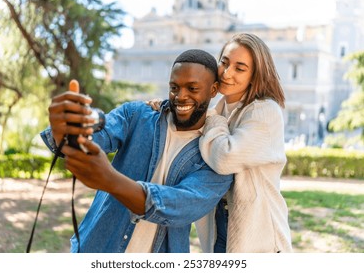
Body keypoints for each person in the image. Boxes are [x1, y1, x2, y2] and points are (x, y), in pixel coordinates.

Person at [40, 49, 233, 253]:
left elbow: (180, 206)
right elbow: (94, 136)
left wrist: (109, 179)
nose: (180, 96)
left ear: (213, 90)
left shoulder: (217, 155)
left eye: (192, 88)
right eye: (174, 87)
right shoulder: (136, 115)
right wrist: (67, 126)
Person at [147, 33, 292, 253]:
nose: (226, 73)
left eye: (240, 68)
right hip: (220, 229)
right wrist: (170, 105)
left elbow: (224, 157)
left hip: (259, 237)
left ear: (255, 75)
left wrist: (211, 117)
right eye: (224, 62)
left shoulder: (264, 111)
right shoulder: (221, 112)